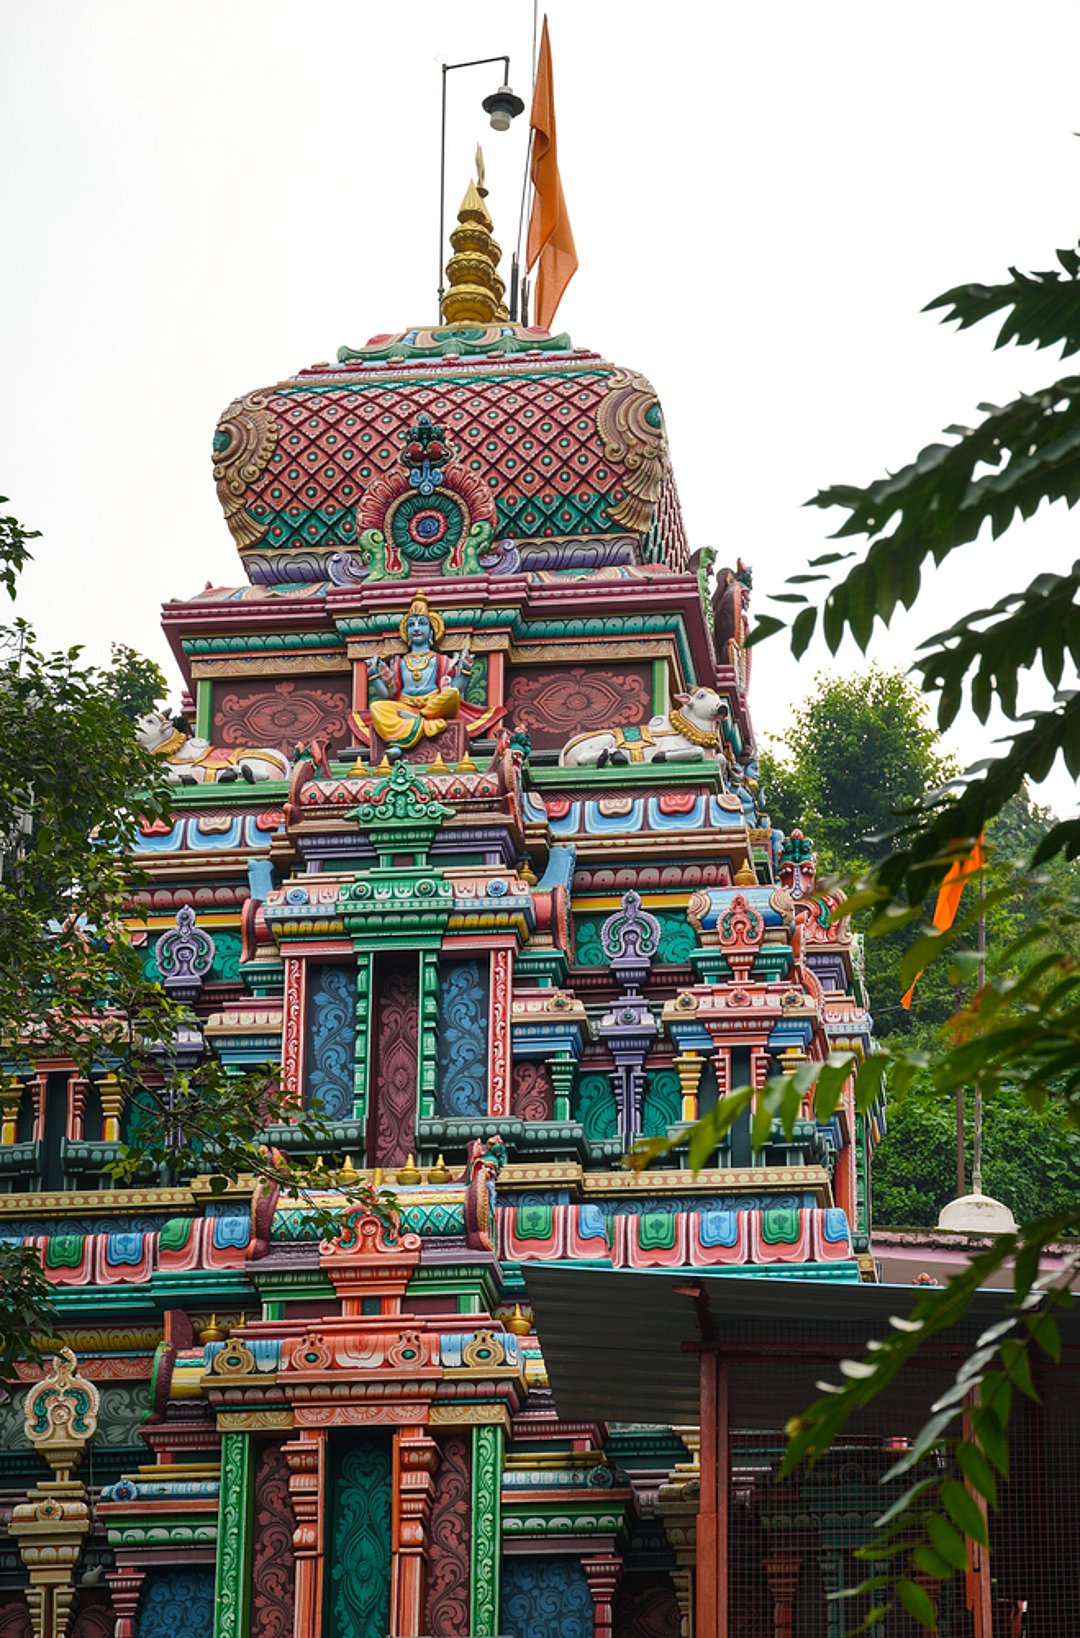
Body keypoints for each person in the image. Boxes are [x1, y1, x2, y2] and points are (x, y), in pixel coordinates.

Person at [366, 593, 473, 751]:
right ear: (406, 632)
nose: (416, 628)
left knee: (452, 695)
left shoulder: (440, 660)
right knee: (376, 707)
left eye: (422, 623)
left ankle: (418, 719)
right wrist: (374, 675)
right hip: (405, 707)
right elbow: (389, 695)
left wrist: (465, 669)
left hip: (433, 706)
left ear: (431, 632)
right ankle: (401, 740)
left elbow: (456, 688)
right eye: (411, 625)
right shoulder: (400, 663)